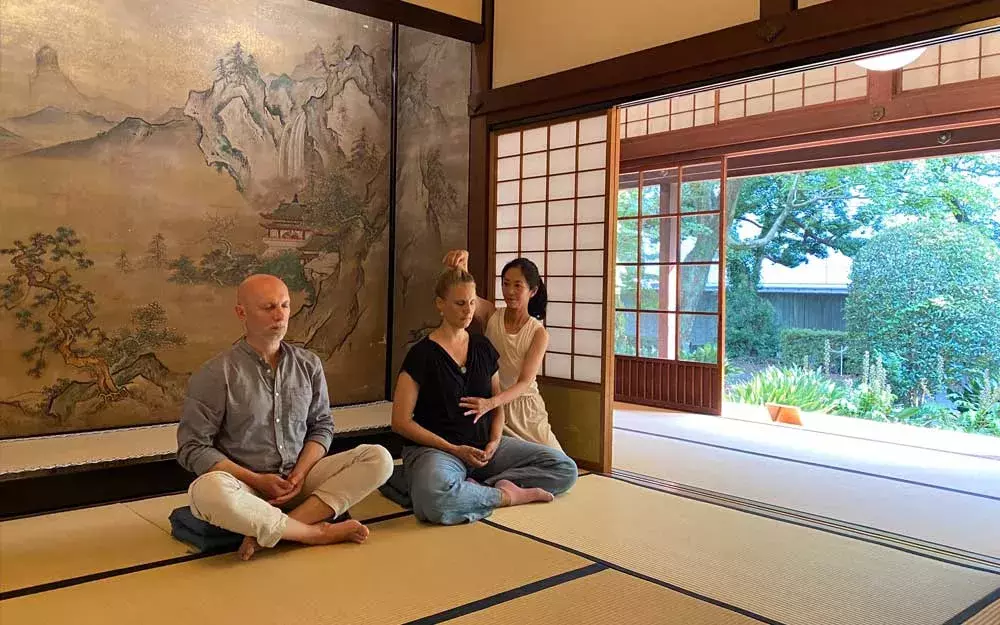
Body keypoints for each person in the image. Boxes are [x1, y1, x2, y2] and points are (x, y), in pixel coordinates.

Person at [177, 274, 394, 561]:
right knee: (207, 491)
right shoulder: (217, 373)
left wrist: (300, 474)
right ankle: (314, 533)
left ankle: (276, 529)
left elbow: (322, 426)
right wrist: (257, 479)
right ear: (241, 313)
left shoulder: (308, 364)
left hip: (299, 480)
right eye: (268, 308)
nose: (280, 315)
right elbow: (192, 448)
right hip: (246, 488)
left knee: (379, 458)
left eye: (285, 305)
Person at [389, 267, 577, 525]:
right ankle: (504, 495)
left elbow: (496, 403)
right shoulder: (421, 354)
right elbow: (400, 421)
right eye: (459, 303)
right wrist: (454, 449)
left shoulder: (482, 346)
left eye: (472, 303)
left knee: (565, 468)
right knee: (434, 498)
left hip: (485, 450)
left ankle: (471, 489)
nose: (468, 310)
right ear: (440, 305)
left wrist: (494, 441)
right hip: (438, 450)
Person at [442, 250, 561, 450]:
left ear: (532, 291)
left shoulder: (538, 333)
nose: (510, 291)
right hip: (491, 408)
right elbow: (470, 297)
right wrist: (463, 267)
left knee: (559, 464)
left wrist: (492, 403)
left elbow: (524, 383)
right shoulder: (491, 315)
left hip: (524, 411)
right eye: (505, 284)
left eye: (517, 285)